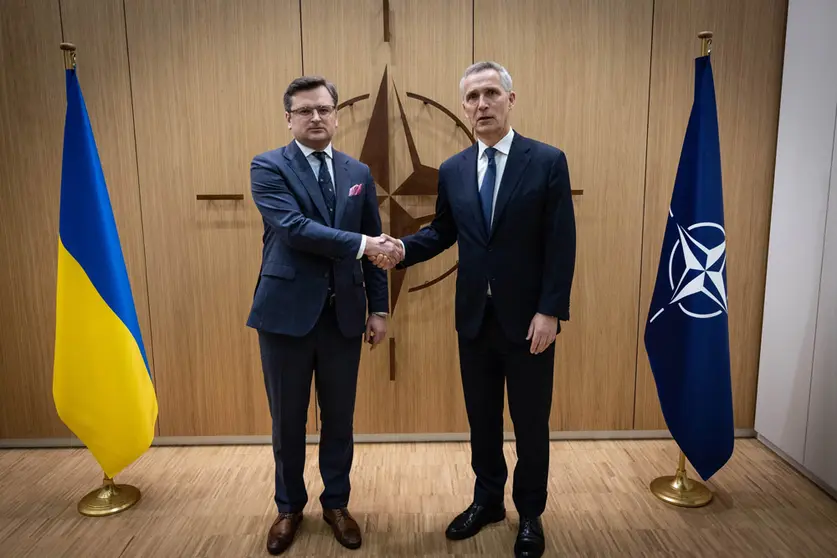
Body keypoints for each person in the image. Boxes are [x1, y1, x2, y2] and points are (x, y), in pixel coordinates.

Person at [373, 61, 576, 558]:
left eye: (490, 94)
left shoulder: (547, 161)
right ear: (464, 107)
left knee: (530, 423)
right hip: (473, 321)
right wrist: (401, 248)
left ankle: (530, 513)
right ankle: (487, 501)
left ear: (511, 99)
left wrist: (550, 311)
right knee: (482, 421)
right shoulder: (454, 169)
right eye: (472, 97)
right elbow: (443, 232)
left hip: (529, 323)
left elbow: (561, 243)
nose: (481, 105)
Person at [247, 75, 402, 555]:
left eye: (324, 109)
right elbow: (295, 229)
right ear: (288, 117)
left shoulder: (358, 172)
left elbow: (374, 249)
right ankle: (289, 507)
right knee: (287, 420)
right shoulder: (268, 166)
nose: (316, 117)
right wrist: (362, 244)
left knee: (340, 418)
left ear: (336, 115)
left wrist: (378, 308)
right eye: (305, 110)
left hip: (344, 318)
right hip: (285, 317)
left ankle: (337, 503)